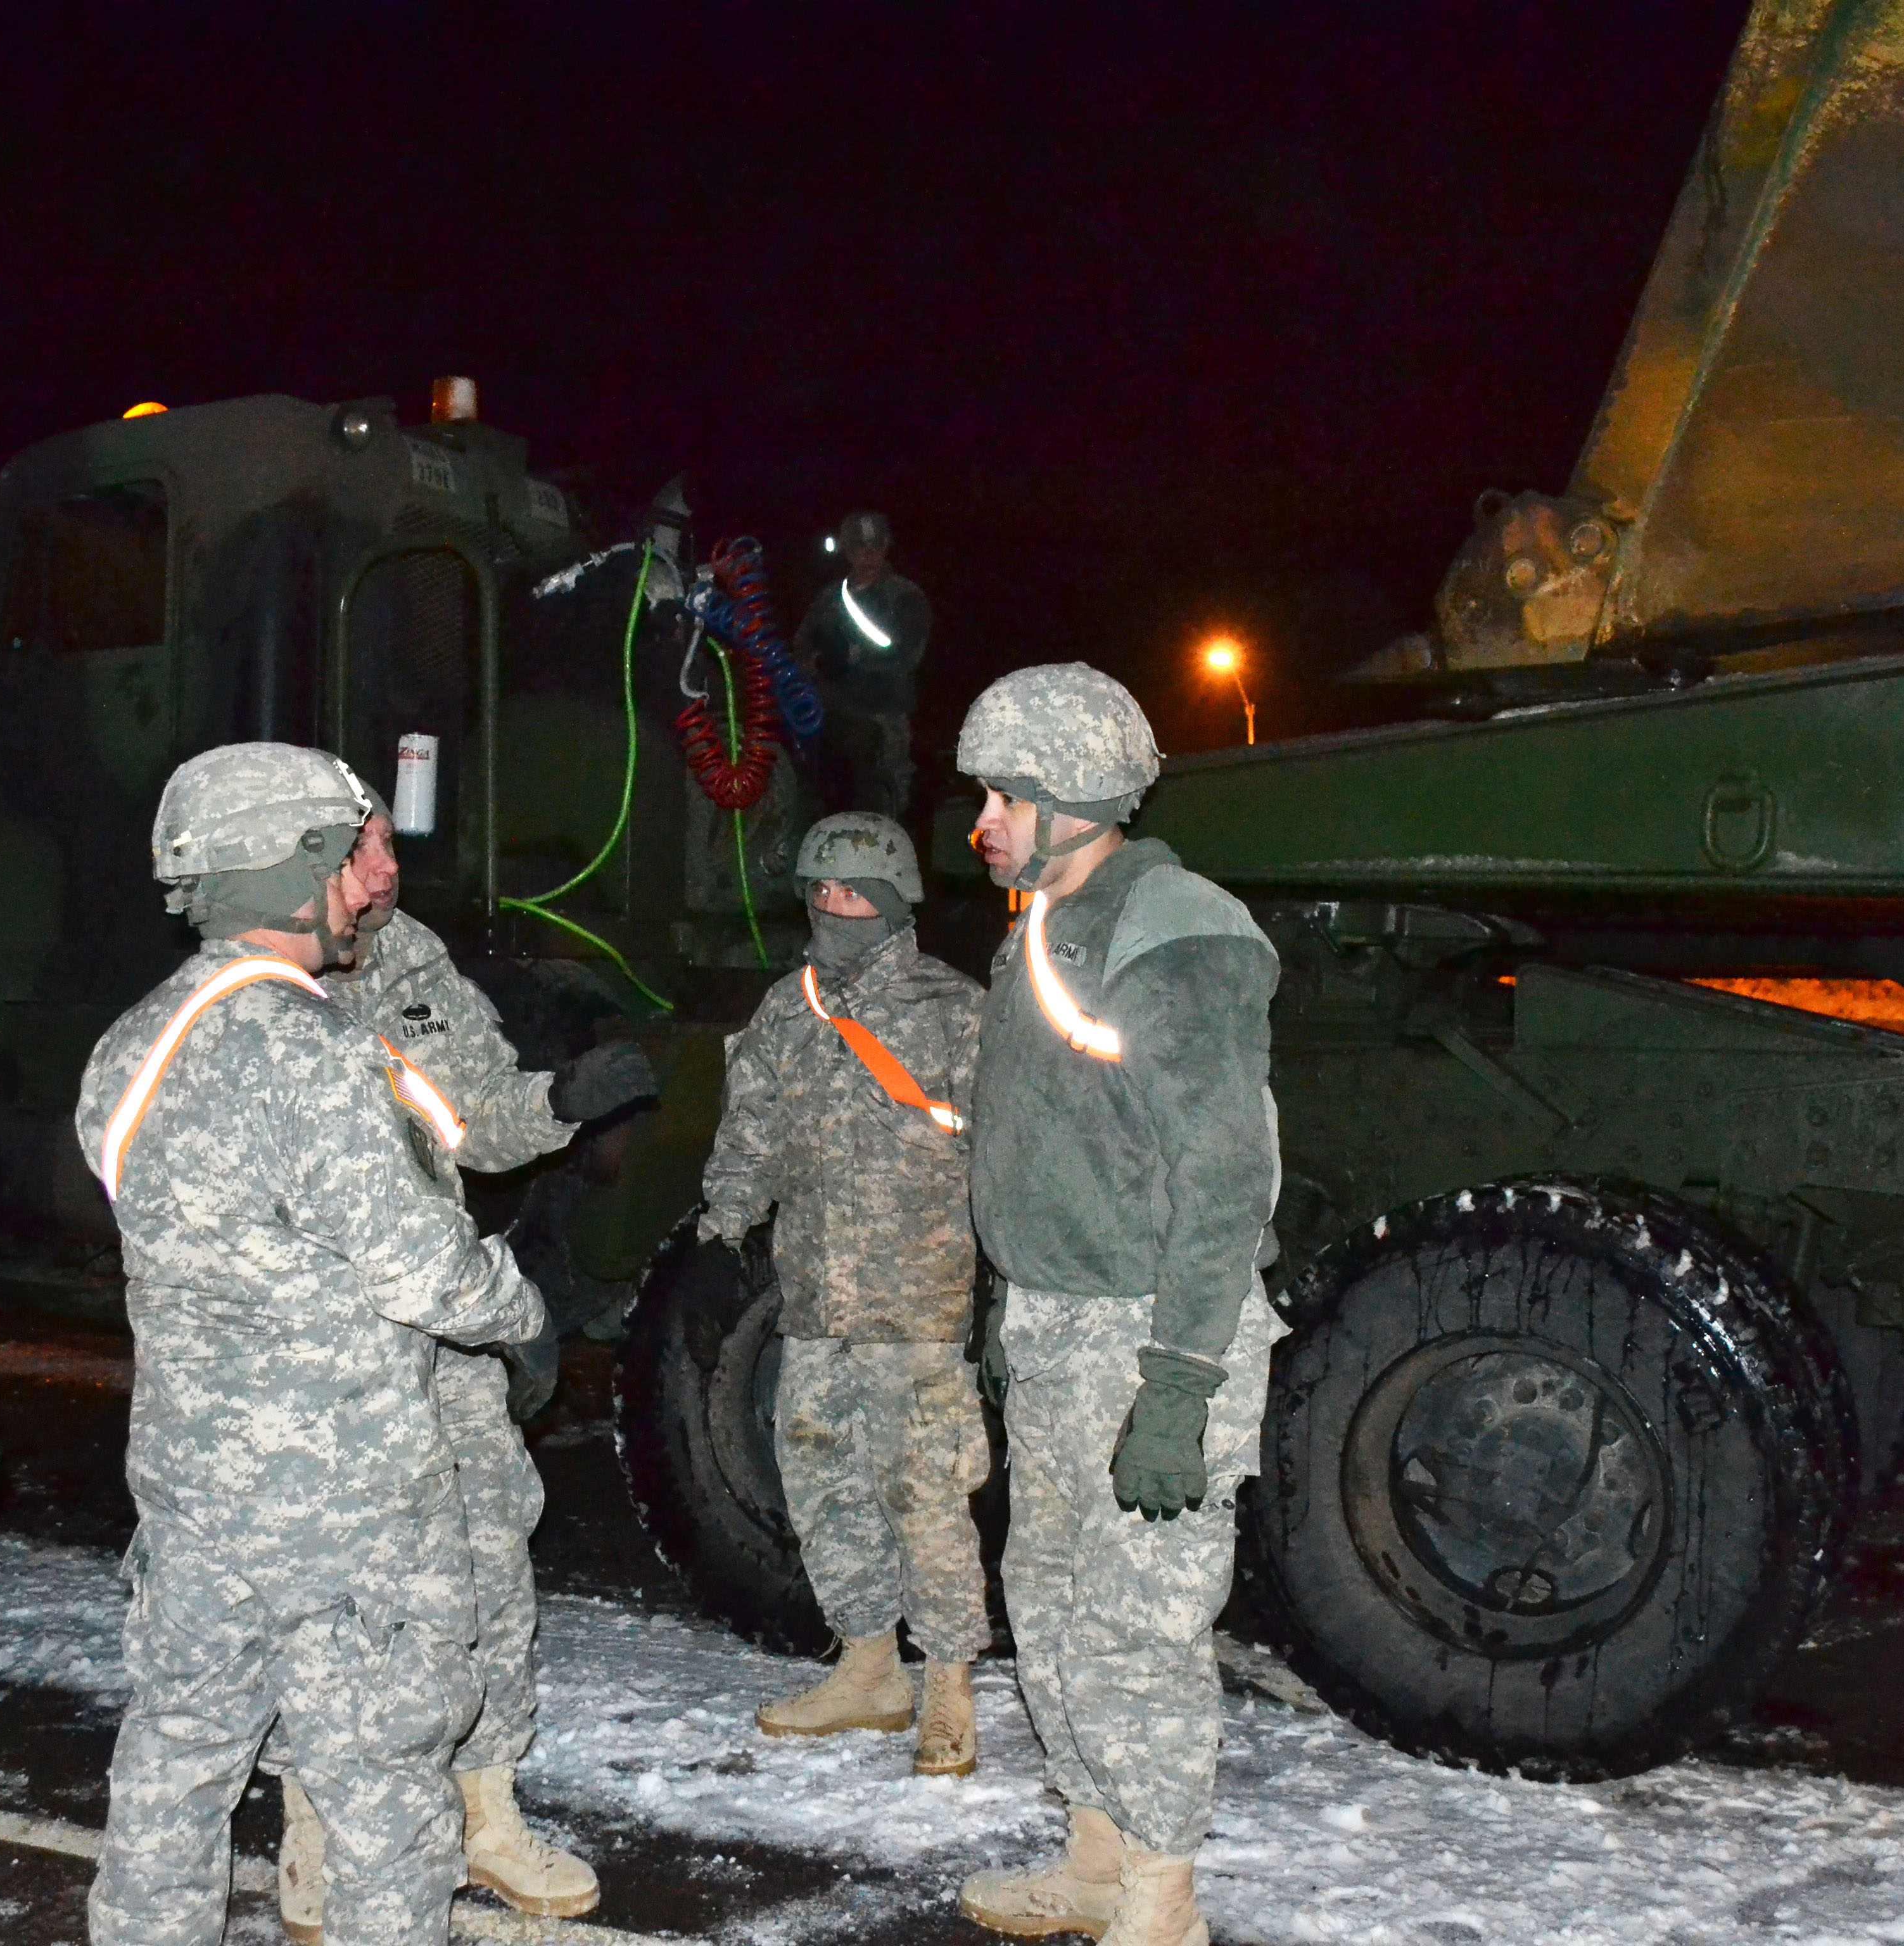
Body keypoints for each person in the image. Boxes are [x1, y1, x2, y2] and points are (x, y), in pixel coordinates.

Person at [77, 744, 547, 1946]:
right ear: (293, 868)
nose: (362, 884)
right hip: (344, 1511)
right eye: (345, 857)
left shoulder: (131, 1041)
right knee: (387, 1800)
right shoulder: (314, 1048)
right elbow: (420, 1263)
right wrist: (520, 1314)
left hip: (190, 1495)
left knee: (172, 1783)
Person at [272, 794, 659, 1938]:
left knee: (491, 1549)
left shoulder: (409, 955)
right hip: (325, 1344)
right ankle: (316, 1837)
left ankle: (484, 1812)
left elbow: (469, 1115)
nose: (389, 865)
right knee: (336, 1597)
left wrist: (555, 1104)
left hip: (441, 1321)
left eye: (390, 839)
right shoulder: (263, 979)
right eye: (363, 848)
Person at [951, 665, 1282, 1946]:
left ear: (1077, 800)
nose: (983, 818)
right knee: (1055, 1604)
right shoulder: (1043, 921)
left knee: (1142, 1631)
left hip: (1152, 1333)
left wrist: (1181, 1384)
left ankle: (1160, 1901)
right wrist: (1011, 1309)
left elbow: (1223, 1179)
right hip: (1057, 1326)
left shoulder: (1177, 933)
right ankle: (1092, 1860)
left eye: (1006, 795)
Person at [699, 811, 989, 1775]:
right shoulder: (791, 1009)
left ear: (900, 901)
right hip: (815, 1297)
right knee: (822, 1480)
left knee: (925, 1493)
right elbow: (752, 1129)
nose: (836, 910)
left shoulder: (956, 1010)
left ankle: (949, 1686)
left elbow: (1005, 1155)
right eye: (820, 893)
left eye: (857, 894)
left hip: (918, 1301)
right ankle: (869, 1667)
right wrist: (723, 1220)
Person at [794, 509, 933, 822]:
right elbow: (800, 649)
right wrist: (817, 663)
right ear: (847, 551)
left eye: (876, 547)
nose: (868, 556)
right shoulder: (829, 600)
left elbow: (908, 657)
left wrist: (850, 662)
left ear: (886, 547)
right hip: (832, 721)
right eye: (859, 548)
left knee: (887, 808)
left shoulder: (905, 597)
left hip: (883, 719)